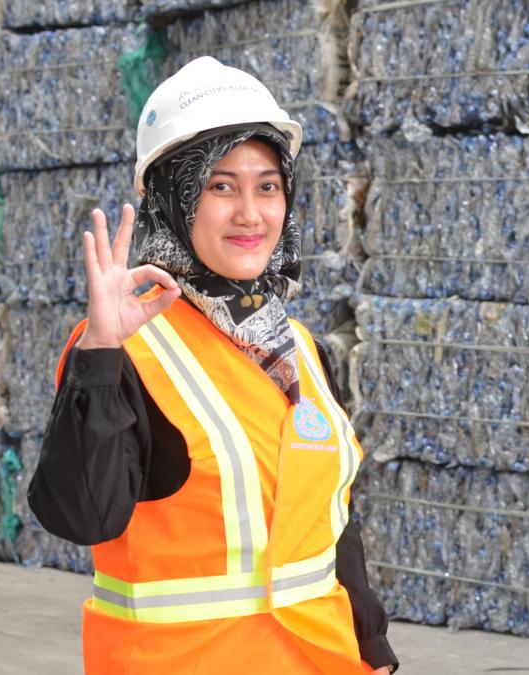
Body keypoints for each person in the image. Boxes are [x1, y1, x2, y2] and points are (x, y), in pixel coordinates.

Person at [27, 56, 398, 674]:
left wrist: (374, 648)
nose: (251, 214)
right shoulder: (127, 349)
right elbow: (82, 515)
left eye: (267, 185)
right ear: (171, 198)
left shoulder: (298, 346)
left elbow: (331, 519)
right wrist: (98, 356)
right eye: (220, 186)